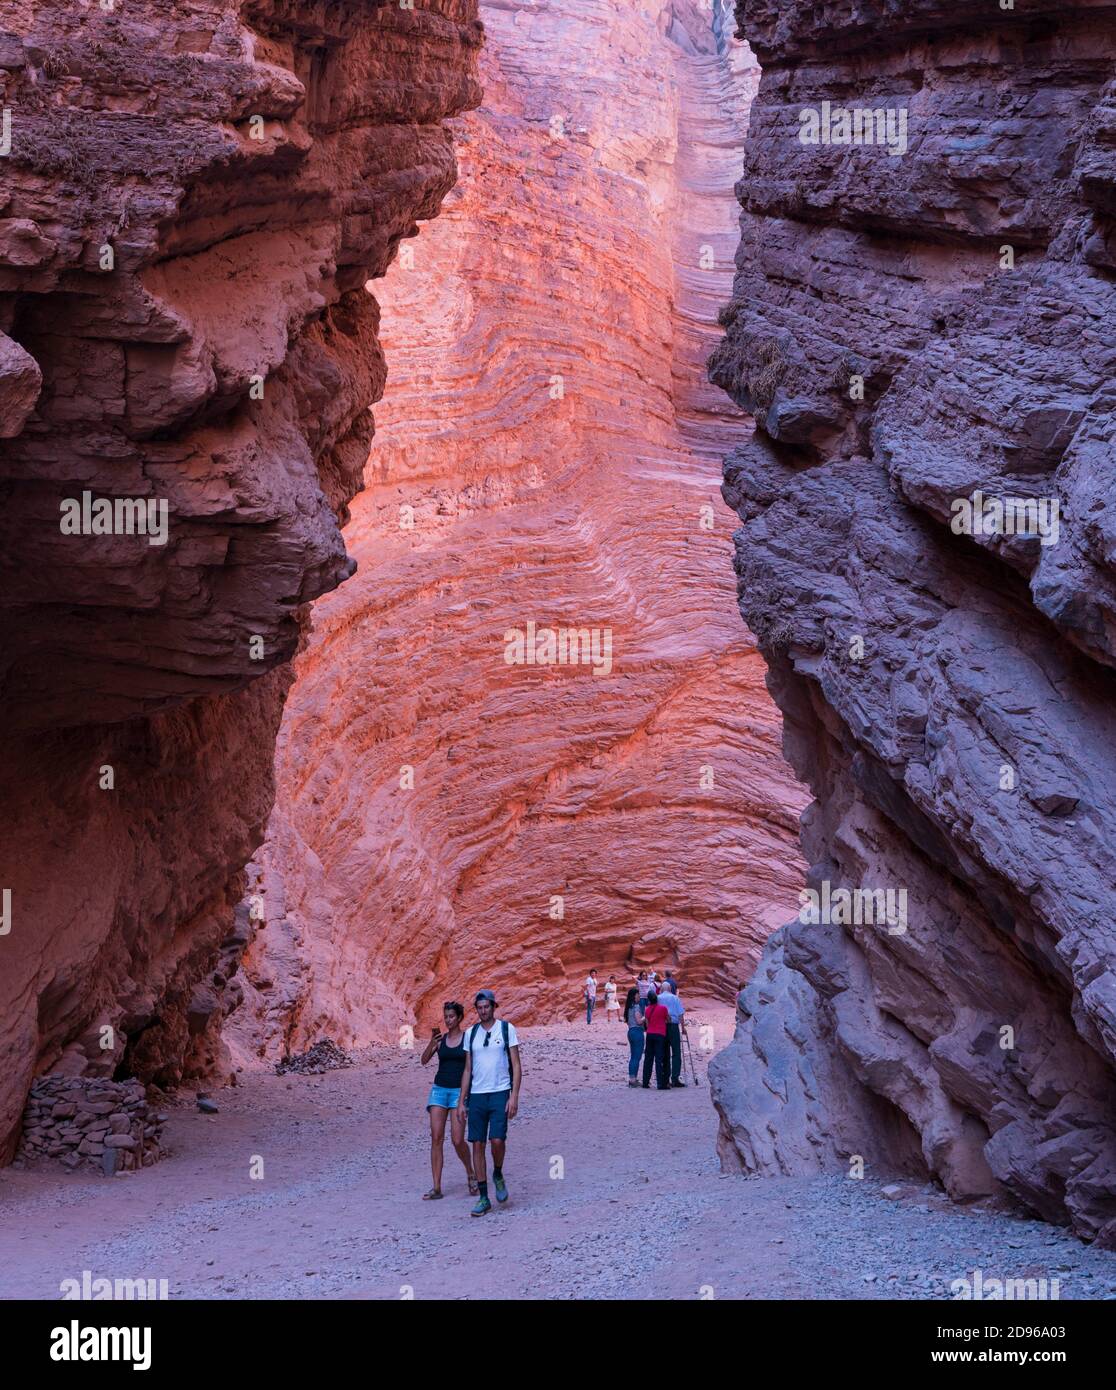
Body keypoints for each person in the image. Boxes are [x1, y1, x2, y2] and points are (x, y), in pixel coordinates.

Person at [456, 990, 521, 1217]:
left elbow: (516, 1063)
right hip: (477, 1094)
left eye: (486, 1007)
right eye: (480, 1008)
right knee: (477, 1144)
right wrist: (461, 1101)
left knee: (496, 1140)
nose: (483, 1011)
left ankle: (498, 1173)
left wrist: (514, 1096)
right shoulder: (470, 1034)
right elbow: (467, 1069)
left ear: (494, 1006)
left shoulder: (506, 1029)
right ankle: (484, 1197)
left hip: (499, 1092)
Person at [419, 1002, 479, 1199]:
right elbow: (424, 1060)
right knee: (436, 1137)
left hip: (458, 1093)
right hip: (439, 1090)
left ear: (459, 1018)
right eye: (446, 1017)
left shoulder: (467, 1039)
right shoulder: (441, 1040)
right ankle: (436, 1187)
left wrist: (467, 1094)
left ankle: (470, 1173)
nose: (448, 1020)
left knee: (457, 1139)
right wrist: (432, 1043)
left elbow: (471, 1067)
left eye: (452, 1016)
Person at [658, 981, 687, 1087]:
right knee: (676, 1052)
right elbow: (680, 1014)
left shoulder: (658, 998)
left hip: (661, 1026)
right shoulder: (675, 998)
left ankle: (665, 1078)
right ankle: (675, 1078)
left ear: (661, 989)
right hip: (673, 1027)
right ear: (670, 989)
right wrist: (683, 1028)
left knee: (665, 1052)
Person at [641, 990, 670, 1090]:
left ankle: (645, 1082)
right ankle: (660, 1083)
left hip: (650, 1034)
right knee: (659, 1059)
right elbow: (668, 1019)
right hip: (660, 1034)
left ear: (649, 1000)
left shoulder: (647, 1009)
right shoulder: (663, 1008)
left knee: (648, 1059)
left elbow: (647, 1024)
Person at [623, 986, 645, 1086]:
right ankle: (633, 1080)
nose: (639, 997)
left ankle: (632, 1078)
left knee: (633, 1056)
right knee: (637, 1056)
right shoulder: (636, 1007)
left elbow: (628, 1021)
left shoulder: (628, 1008)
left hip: (630, 1031)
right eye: (638, 995)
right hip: (637, 1032)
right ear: (634, 996)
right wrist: (646, 1017)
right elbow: (639, 1021)